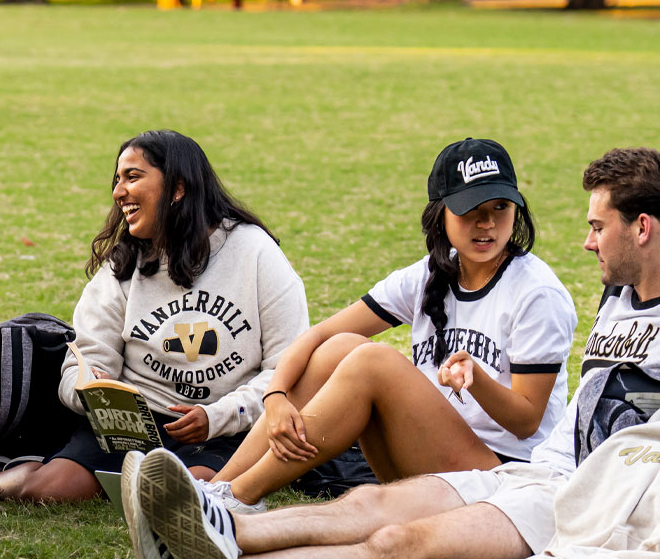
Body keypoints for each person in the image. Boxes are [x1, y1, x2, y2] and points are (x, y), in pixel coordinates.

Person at [125, 147, 660, 559]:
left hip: (575, 503)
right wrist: (279, 390)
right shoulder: (619, 294)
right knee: (369, 506)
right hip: (529, 475)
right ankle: (211, 523)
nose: (588, 241)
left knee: (398, 547)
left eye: (599, 225)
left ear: (643, 228)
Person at [203, 138, 574, 514]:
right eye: (470, 209)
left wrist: (476, 379)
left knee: (372, 362)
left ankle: (238, 499)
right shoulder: (431, 272)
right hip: (432, 461)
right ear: (440, 214)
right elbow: (318, 336)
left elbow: (527, 422)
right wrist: (276, 396)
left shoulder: (537, 293)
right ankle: (215, 488)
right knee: (341, 347)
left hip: (505, 480)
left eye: (501, 207)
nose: (487, 223)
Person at [0, 130, 308, 503]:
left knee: (178, 495)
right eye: (117, 180)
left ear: (178, 188)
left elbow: (288, 371)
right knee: (46, 491)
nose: (118, 192)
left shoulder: (253, 251)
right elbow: (78, 363)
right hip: (134, 428)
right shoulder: (124, 265)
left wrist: (216, 416)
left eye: (132, 177)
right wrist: (89, 390)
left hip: (221, 429)